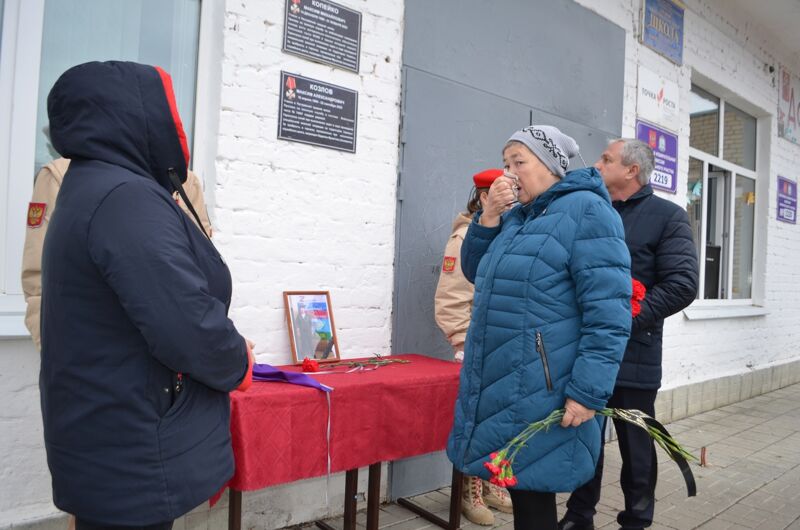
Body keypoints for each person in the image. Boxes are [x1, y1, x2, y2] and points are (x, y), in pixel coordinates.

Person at [39, 60, 253, 530]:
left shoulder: (94, 185)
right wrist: (237, 360)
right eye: (164, 110)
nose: (175, 124)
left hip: (108, 428)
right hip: (130, 437)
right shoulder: (124, 197)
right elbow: (183, 319)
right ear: (131, 116)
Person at [447, 125, 632, 530]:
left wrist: (587, 392)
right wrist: (489, 217)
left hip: (543, 385)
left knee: (532, 497)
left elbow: (609, 315)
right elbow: (478, 271)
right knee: (523, 491)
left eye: (519, 162)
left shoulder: (588, 212)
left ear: (551, 165)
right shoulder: (518, 218)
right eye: (505, 163)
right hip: (503, 378)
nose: (508, 173)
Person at [559, 139, 699, 530]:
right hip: (585, 351)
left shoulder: (667, 216)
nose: (598, 164)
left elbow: (682, 284)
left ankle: (637, 519)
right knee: (584, 437)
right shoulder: (594, 211)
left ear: (631, 171)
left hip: (633, 351)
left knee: (636, 444)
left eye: (606, 159)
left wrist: (622, 321)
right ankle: (578, 515)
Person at [22, 158, 212, 351]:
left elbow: (203, 274)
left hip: (173, 360)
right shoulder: (60, 174)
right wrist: (61, 357)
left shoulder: (184, 181)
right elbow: (38, 286)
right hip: (94, 364)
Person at [434, 168, 513, 525]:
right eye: (505, 193)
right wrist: (463, 342)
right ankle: (470, 490)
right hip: (476, 347)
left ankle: (494, 481)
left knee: (501, 420)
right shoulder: (466, 236)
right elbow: (450, 299)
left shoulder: (507, 233)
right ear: (484, 197)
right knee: (476, 422)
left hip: (505, 345)